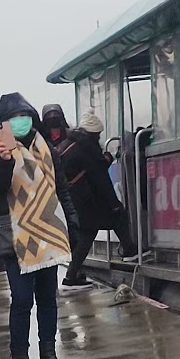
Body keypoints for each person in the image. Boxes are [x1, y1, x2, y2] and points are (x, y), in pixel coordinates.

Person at [0, 93, 79, 359]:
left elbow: (60, 188)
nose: (21, 121)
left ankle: (48, 356)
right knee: (22, 300)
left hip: (48, 232)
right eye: (14, 117)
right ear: (3, 125)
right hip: (16, 237)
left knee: (49, 298)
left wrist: (71, 222)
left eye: (25, 115)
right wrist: (3, 160)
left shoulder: (46, 148)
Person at [59, 111, 140, 291]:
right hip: (86, 199)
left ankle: (72, 276)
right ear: (93, 134)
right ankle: (129, 251)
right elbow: (100, 178)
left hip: (74, 199)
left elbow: (91, 167)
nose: (100, 138)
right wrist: (113, 204)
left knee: (87, 235)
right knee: (117, 215)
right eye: (98, 135)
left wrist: (107, 159)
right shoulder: (87, 147)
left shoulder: (69, 144)